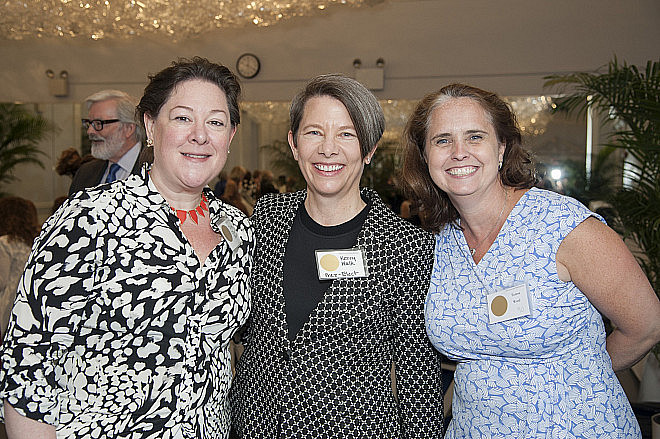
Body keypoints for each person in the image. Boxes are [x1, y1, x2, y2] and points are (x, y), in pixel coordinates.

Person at [1, 57, 254, 439]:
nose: (200, 135)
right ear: (151, 126)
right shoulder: (89, 219)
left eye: (216, 122)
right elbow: (28, 368)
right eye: (183, 118)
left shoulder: (237, 229)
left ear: (230, 136)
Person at [400, 83, 660, 438]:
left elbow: (646, 325)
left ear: (502, 147)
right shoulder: (440, 241)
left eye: (475, 136)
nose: (459, 152)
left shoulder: (562, 226)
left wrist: (578, 374)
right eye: (442, 140)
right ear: (426, 156)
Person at [230, 74, 444, 438]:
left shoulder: (405, 245)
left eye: (346, 134)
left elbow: (417, 373)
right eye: (314, 132)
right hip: (256, 425)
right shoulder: (265, 219)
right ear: (294, 145)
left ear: (370, 149)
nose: (328, 149)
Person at [68, 89, 145, 196]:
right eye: (89, 123)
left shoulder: (157, 171)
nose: (90, 131)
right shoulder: (85, 173)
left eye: (98, 123)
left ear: (129, 129)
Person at [0, 197, 39, 341]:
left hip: (9, 303)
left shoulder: (5, 243)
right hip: (30, 299)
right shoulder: (33, 241)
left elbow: (1, 281)